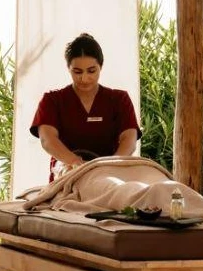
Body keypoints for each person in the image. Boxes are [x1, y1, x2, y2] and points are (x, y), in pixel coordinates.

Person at [29, 33, 141, 181]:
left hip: (110, 177)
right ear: (68, 68)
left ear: (101, 66)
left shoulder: (119, 100)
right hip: (68, 175)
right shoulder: (52, 100)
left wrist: (108, 168)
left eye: (91, 71)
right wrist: (77, 164)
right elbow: (47, 140)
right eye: (77, 72)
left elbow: (129, 140)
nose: (84, 78)